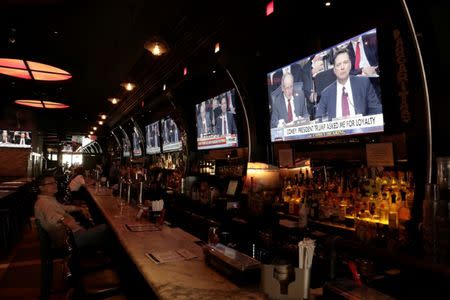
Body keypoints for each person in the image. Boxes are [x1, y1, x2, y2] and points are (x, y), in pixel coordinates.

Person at [34, 184, 110, 250]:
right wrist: (76, 227)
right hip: (70, 241)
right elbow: (54, 220)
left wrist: (80, 208)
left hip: (71, 235)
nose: (55, 184)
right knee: (108, 229)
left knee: (97, 224)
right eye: (51, 183)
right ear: (41, 187)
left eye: (55, 182)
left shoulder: (47, 199)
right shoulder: (45, 204)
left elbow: (63, 208)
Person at [316, 48, 382, 120]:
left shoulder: (364, 83)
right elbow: (319, 119)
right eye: (338, 64)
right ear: (334, 70)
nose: (342, 67)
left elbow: (376, 110)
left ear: (350, 65)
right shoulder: (326, 93)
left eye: (345, 62)